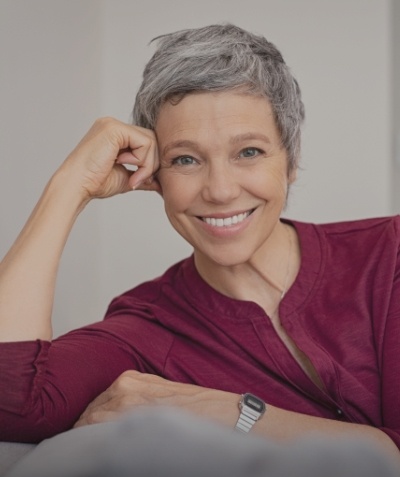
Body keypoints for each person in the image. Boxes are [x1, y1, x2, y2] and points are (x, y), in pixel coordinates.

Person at [0, 23, 399, 467]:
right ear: (154, 176)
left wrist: (235, 413)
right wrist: (70, 186)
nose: (221, 190)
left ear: (292, 160)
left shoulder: (391, 253)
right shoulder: (146, 328)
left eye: (248, 152)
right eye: (185, 159)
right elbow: (10, 406)